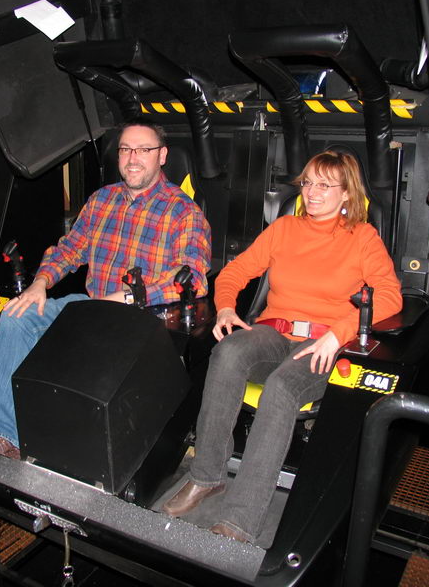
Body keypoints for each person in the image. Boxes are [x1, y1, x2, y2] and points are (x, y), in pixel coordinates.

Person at [161, 150, 402, 543]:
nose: (312, 192)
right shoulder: (285, 228)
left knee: (281, 387)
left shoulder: (363, 238)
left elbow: (390, 296)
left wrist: (338, 333)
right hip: (274, 332)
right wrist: (225, 308)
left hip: (323, 343)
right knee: (227, 352)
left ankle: (241, 519)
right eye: (308, 183)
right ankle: (206, 476)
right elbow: (235, 271)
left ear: (347, 193)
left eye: (325, 185)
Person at [0, 120, 211, 459]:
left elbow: (194, 276)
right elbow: (69, 249)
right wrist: (40, 283)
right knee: (17, 315)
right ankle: (0, 436)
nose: (132, 158)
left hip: (143, 318)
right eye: (126, 149)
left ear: (162, 156)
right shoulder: (102, 200)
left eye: (143, 150)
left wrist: (129, 296)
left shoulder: (184, 212)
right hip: (91, 305)